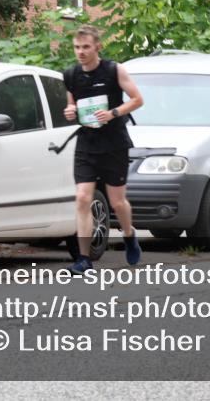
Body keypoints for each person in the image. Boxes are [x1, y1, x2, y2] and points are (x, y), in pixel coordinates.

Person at [63, 25, 144, 273]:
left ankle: (129, 236)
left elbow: (137, 100)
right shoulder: (71, 75)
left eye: (86, 47)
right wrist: (70, 112)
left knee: (117, 202)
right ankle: (84, 259)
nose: (81, 52)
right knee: (83, 198)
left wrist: (113, 113)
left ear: (97, 46)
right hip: (87, 143)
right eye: (77, 47)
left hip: (114, 143)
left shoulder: (113, 70)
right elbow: (72, 106)